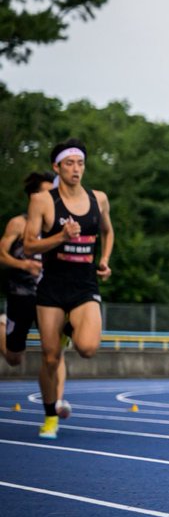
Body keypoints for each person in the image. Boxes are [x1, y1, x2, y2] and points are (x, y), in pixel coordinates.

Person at [23, 140, 114, 440]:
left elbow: (107, 231)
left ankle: (67, 328)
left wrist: (104, 259)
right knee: (50, 358)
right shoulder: (42, 201)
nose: (76, 169)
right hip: (52, 287)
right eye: (69, 163)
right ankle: (50, 416)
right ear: (57, 167)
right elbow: (29, 246)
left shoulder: (99, 198)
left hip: (85, 285)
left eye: (80, 163)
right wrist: (61, 237)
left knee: (88, 348)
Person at [0, 173, 66, 410]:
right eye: (47, 192)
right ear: (33, 196)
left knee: (54, 351)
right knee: (14, 358)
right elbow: (1, 256)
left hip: (50, 297)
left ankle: (57, 402)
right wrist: (23, 265)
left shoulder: (57, 225)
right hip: (21, 295)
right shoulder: (18, 223)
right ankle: (2, 327)